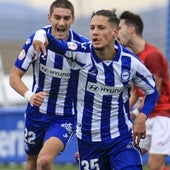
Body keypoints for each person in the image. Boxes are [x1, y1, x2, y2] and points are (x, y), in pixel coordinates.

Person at [33, 9, 159, 170]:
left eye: (101, 28)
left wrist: (142, 117)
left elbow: (152, 91)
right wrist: (39, 35)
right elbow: (54, 42)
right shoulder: (80, 53)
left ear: (115, 31)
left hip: (121, 139)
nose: (95, 33)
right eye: (92, 28)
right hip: (89, 141)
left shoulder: (130, 62)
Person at [9, 0, 89, 170]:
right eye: (57, 17)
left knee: (44, 160)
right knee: (31, 162)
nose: (62, 22)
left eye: (66, 18)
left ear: (73, 19)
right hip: (36, 113)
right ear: (49, 17)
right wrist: (30, 96)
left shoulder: (80, 46)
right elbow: (14, 76)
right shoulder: (35, 40)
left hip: (64, 116)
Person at [118, 10, 170, 170]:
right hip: (146, 116)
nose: (116, 32)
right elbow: (134, 94)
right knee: (127, 159)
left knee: (153, 166)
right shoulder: (133, 58)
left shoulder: (152, 55)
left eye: (119, 27)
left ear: (131, 29)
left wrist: (134, 114)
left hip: (162, 116)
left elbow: (154, 93)